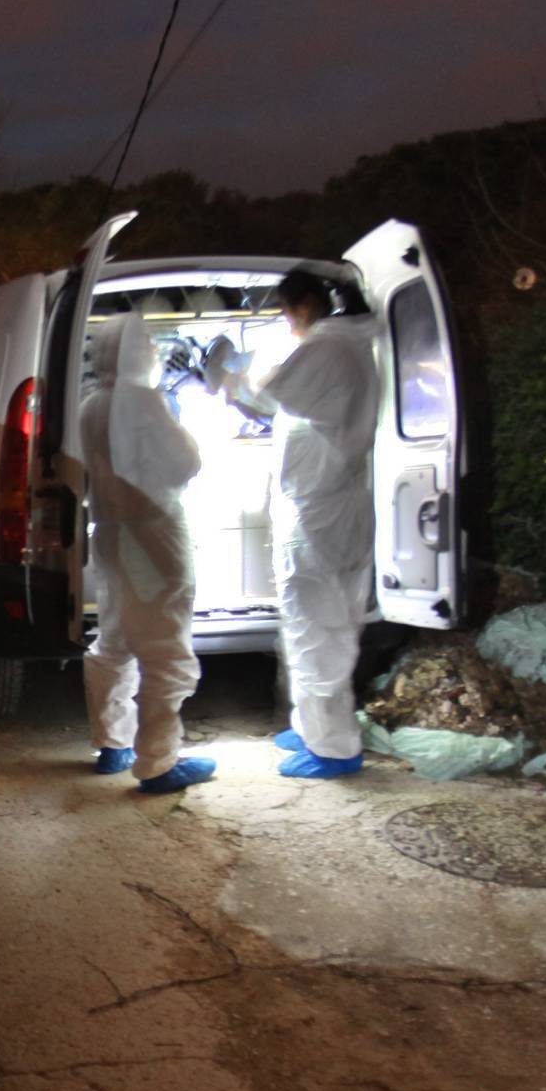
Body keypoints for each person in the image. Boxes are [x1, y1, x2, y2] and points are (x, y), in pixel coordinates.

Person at [215, 271, 378, 779]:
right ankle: (313, 727)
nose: (288, 322)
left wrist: (228, 373)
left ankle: (335, 747)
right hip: (326, 506)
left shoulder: (330, 348)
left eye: (286, 311)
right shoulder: (347, 346)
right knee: (318, 626)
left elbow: (271, 395)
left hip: (320, 513)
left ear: (306, 305)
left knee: (318, 630)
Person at [81, 313, 215, 794]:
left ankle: (112, 743)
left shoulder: (91, 404)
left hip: (113, 535)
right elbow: (187, 462)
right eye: (152, 348)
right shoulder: (141, 399)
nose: (157, 356)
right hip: (152, 536)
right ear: (138, 353)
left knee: (114, 638)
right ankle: (158, 764)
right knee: (165, 648)